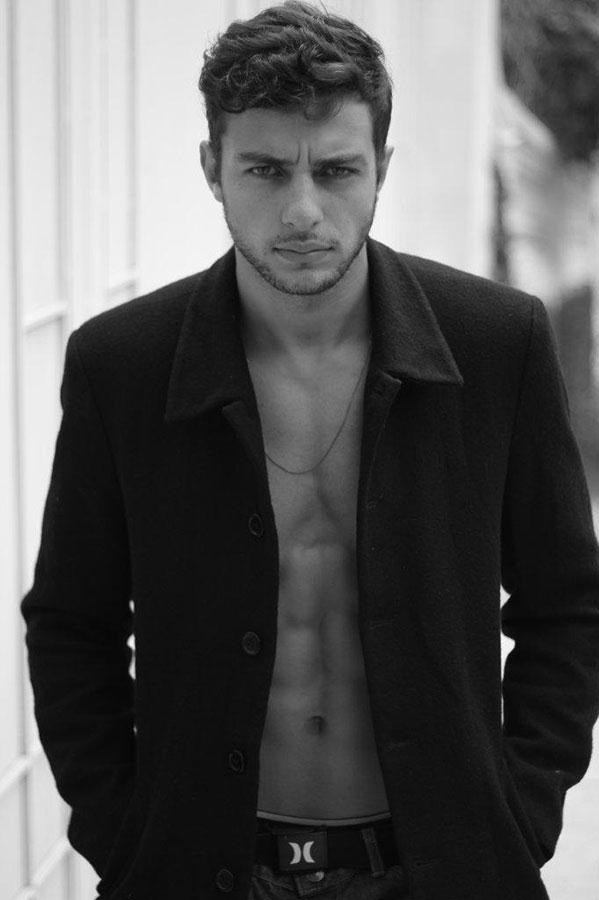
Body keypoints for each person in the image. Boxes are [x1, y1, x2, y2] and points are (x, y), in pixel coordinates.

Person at [20, 2, 599, 899]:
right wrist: (120, 831)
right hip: (199, 871)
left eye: (335, 170)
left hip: (442, 870)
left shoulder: (494, 345)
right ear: (211, 167)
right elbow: (71, 623)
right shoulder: (122, 365)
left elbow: (568, 605)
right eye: (264, 169)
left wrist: (518, 814)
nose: (301, 211)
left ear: (380, 169)